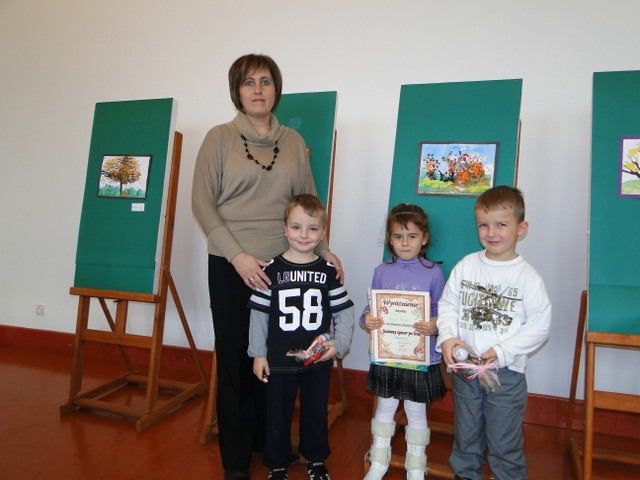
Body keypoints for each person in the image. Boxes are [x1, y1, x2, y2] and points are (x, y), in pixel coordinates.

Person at [192, 54, 343, 480]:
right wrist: (237, 256)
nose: (257, 90)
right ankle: (236, 458)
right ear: (236, 91)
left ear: (276, 89)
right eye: (248, 82)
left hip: (285, 268)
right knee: (237, 360)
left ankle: (268, 442)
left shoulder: (293, 141)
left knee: (275, 359)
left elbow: (308, 201)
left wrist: (323, 249)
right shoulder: (219, 138)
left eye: (265, 81)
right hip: (231, 264)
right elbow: (202, 204)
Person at [436, 186, 552, 480]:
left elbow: (540, 325)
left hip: (506, 374)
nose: (491, 232)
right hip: (466, 369)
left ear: (521, 228)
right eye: (483, 225)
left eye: (501, 224)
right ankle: (466, 474)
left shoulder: (527, 277)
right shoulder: (466, 265)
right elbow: (448, 305)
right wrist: (447, 337)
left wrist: (501, 352)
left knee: (503, 439)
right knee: (466, 433)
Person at [247, 194, 355, 480]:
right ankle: (277, 464)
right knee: (277, 415)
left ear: (322, 232)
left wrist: (339, 344)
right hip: (279, 360)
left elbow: (344, 312)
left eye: (312, 228)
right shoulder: (270, 271)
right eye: (296, 227)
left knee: (316, 413)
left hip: (317, 360)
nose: (304, 235)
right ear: (285, 229)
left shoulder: (328, 272)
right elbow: (258, 315)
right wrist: (258, 353)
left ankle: (316, 460)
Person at [360, 203, 447, 480]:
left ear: (424, 238)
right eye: (398, 236)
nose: (405, 242)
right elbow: (371, 308)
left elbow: (441, 310)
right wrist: (367, 319)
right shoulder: (381, 270)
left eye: (412, 236)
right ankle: (379, 460)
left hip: (418, 356)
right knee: (385, 406)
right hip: (388, 354)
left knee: (415, 409)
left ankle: (416, 465)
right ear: (390, 239)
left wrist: (435, 324)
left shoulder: (433, 272)